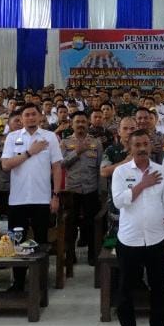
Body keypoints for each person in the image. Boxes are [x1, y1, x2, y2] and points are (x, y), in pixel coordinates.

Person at [110, 129, 164, 326]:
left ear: (151, 146)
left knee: (159, 288)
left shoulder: (161, 171)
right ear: (129, 147)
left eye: (145, 144)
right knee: (125, 289)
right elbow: (118, 201)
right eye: (137, 145)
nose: (141, 148)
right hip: (129, 240)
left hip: (157, 239)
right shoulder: (120, 172)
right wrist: (142, 184)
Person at [0, 103, 63, 292]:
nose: (30, 118)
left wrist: (55, 195)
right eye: (26, 115)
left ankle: (40, 284)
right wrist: (29, 152)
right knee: (17, 243)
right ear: (21, 118)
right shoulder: (12, 137)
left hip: (42, 199)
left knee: (41, 243)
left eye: (33, 114)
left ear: (40, 116)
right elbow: (6, 165)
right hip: (17, 200)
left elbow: (57, 168)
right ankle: (18, 282)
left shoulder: (50, 137)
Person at [59, 112, 103, 266]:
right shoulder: (65, 143)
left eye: (83, 122)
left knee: (91, 225)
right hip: (72, 191)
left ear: (88, 124)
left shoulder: (96, 143)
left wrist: (100, 192)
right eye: (77, 122)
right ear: (72, 124)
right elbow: (61, 164)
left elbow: (100, 169)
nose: (80, 124)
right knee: (70, 226)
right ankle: (70, 256)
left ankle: (92, 255)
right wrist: (77, 152)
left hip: (91, 190)